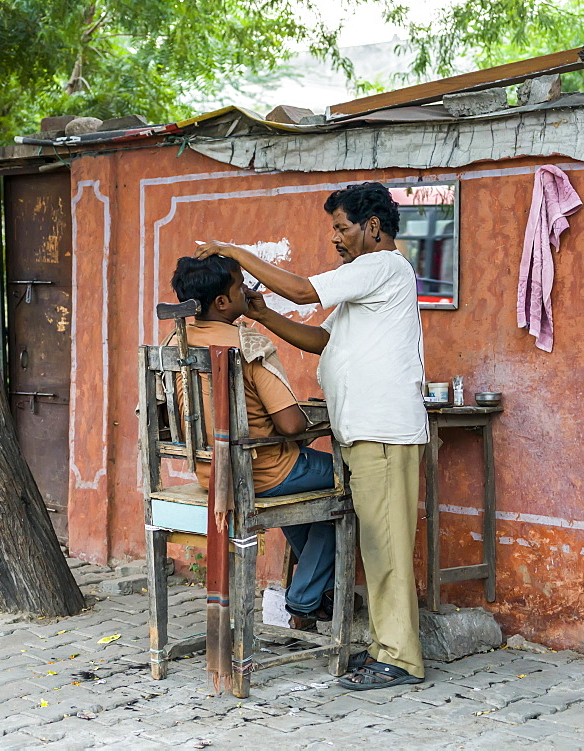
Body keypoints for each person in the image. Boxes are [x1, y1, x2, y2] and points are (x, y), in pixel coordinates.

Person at [196, 181, 428, 691]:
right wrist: (260, 313)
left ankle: (400, 658)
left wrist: (237, 253)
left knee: (384, 547)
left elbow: (303, 291)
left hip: (384, 431)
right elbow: (323, 340)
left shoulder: (382, 266)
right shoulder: (365, 281)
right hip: (364, 431)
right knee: (375, 542)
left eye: (341, 228)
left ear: (372, 227)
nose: (335, 239)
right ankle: (382, 646)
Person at [167, 255, 338, 630]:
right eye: (241, 284)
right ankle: (306, 598)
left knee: (311, 493)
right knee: (351, 484)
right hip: (262, 472)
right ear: (223, 303)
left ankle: (312, 594)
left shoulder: (174, 345)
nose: (249, 289)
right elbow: (291, 424)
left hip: (210, 474)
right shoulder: (247, 343)